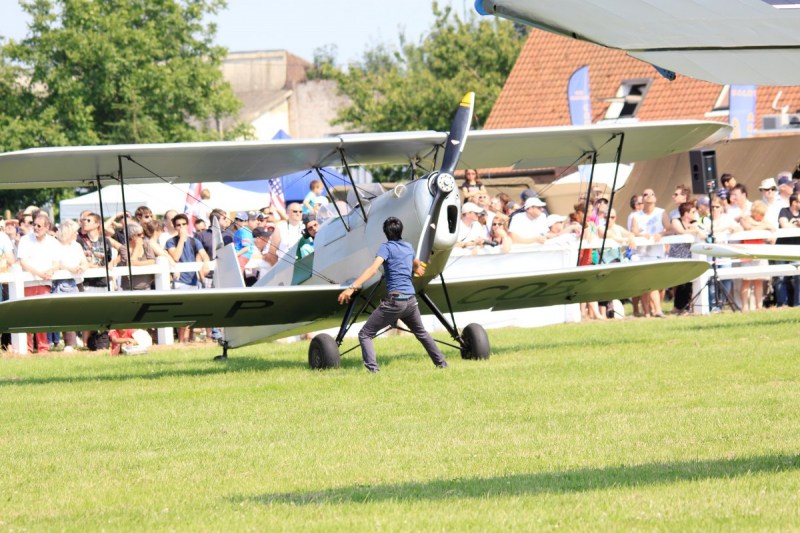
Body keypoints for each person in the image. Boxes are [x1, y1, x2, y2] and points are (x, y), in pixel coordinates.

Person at [337, 217, 448, 373]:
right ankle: (442, 364)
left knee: (364, 334)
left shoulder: (386, 248)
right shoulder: (408, 247)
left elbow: (373, 269)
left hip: (395, 302)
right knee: (422, 333)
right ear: (401, 231)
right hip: (411, 301)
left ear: (385, 232)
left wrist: (352, 287)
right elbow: (416, 263)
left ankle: (373, 371)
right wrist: (418, 269)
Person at [16, 213, 61, 353]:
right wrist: (39, 273)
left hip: (45, 283)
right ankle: (28, 348)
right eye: (34, 224)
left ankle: (43, 347)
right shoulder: (25, 240)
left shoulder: (53, 242)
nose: (35, 227)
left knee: (42, 316)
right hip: (28, 283)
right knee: (27, 316)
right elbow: (23, 262)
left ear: (47, 227)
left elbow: (57, 263)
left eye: (39, 225)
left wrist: (52, 270)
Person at [166, 213, 211, 342]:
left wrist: (206, 263)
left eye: (184, 224)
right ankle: (182, 340)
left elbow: (204, 254)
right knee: (182, 313)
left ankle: (192, 339)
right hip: (180, 281)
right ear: (175, 227)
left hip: (193, 280)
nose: (181, 227)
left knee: (195, 311)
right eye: (178, 225)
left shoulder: (194, 240)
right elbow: (175, 256)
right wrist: (181, 239)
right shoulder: (171, 241)